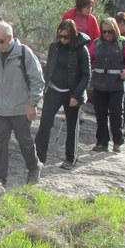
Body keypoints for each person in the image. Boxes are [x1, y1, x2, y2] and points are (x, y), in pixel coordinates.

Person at [0, 21, 45, 185]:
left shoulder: (24, 53)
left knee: (25, 142)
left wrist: (32, 103)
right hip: (2, 109)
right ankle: (0, 176)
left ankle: (34, 167)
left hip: (21, 108)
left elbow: (38, 80)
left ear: (10, 38)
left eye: (1, 41)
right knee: (0, 143)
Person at [34, 19, 90, 170]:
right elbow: (49, 69)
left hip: (72, 93)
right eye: (60, 36)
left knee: (72, 127)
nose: (63, 40)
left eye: (66, 37)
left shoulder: (81, 50)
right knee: (45, 123)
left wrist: (76, 95)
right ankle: (39, 158)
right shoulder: (54, 47)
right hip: (53, 90)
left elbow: (86, 75)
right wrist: (45, 87)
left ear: (73, 35)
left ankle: (71, 158)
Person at [89, 17, 125, 153]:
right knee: (100, 114)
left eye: (110, 31)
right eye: (104, 32)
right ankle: (102, 142)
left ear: (115, 30)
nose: (107, 35)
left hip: (116, 85)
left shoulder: (123, 43)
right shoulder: (97, 43)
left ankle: (118, 141)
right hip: (99, 84)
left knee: (116, 114)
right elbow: (88, 57)